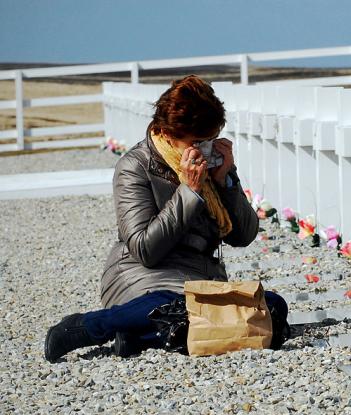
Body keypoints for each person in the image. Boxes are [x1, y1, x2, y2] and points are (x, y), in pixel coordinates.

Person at [44, 75, 287, 362]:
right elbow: (146, 249)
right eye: (198, 141)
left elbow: (243, 236)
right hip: (143, 276)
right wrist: (189, 191)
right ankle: (87, 326)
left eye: (212, 139)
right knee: (176, 307)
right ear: (168, 132)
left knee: (272, 305)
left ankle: (139, 337)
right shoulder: (135, 166)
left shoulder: (210, 164)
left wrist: (226, 183)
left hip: (199, 276)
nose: (207, 148)